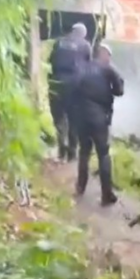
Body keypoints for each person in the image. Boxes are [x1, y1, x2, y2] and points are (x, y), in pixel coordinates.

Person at [72, 42, 124, 206]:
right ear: (105, 55)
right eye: (108, 56)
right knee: (103, 154)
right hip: (99, 118)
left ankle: (80, 188)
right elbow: (119, 91)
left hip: (81, 116)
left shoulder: (82, 67)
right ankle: (106, 194)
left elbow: (74, 88)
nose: (109, 58)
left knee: (84, 152)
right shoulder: (108, 69)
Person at [48, 23, 91, 161]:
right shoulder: (85, 45)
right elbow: (89, 67)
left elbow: (51, 60)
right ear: (83, 34)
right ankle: (72, 153)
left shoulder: (59, 42)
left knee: (58, 117)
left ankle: (62, 149)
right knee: (74, 119)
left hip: (57, 82)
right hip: (76, 85)